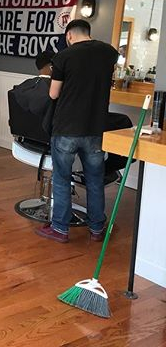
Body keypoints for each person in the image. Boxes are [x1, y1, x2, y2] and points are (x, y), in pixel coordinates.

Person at [36, 19, 119, 244]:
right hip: (95, 128)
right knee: (95, 179)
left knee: (62, 178)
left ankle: (60, 229)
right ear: (88, 32)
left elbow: (53, 94)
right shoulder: (109, 53)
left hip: (67, 127)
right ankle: (97, 228)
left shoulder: (64, 56)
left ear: (69, 35)